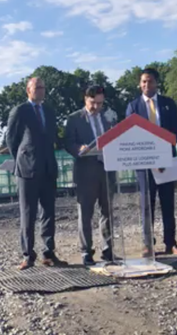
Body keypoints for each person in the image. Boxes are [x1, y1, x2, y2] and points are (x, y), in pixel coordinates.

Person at [125, 68, 177, 256]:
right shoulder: (133, 106)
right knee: (147, 206)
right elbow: (131, 134)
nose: (147, 85)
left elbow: (175, 131)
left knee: (168, 203)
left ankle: (171, 243)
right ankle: (148, 245)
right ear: (139, 83)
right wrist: (151, 158)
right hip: (144, 165)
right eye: (143, 82)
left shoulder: (168, 104)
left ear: (157, 83)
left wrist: (161, 156)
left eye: (150, 81)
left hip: (167, 161)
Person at [6, 77, 68, 270]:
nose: (41, 90)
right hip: (27, 170)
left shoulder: (49, 111)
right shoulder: (20, 111)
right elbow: (11, 139)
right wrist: (23, 157)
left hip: (48, 168)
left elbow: (52, 138)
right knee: (28, 213)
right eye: (37, 87)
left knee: (48, 212)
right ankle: (28, 255)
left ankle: (48, 253)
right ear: (28, 90)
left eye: (43, 87)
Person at [64, 85, 117, 266]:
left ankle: (108, 250)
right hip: (86, 171)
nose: (97, 107)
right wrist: (79, 148)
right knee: (85, 213)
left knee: (107, 211)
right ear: (85, 99)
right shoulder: (74, 119)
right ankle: (86, 252)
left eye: (100, 103)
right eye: (93, 103)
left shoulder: (109, 116)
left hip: (107, 169)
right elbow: (68, 142)